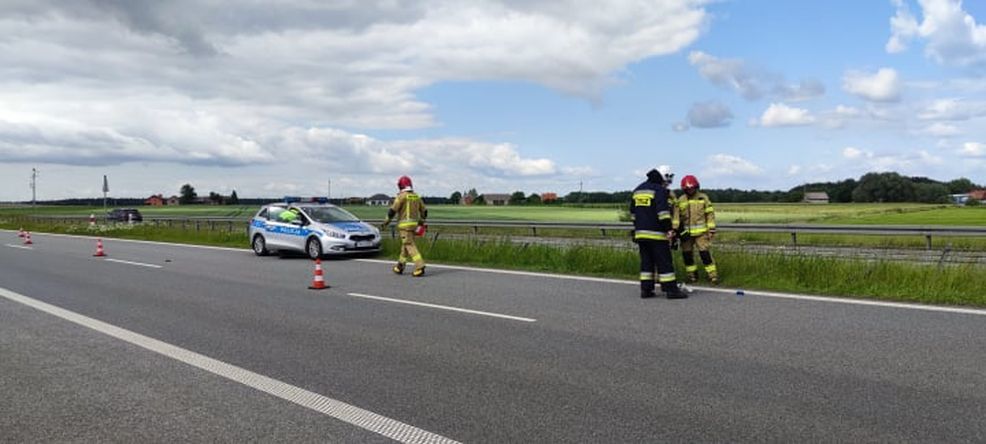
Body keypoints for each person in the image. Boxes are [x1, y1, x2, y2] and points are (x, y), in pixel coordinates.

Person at [631, 167, 686, 299]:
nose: (666, 183)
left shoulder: (638, 190)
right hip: (656, 234)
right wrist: (669, 229)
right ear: (661, 177)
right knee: (664, 262)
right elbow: (663, 213)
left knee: (646, 263)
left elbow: (633, 214)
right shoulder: (659, 190)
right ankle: (671, 290)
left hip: (641, 234)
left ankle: (646, 290)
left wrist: (638, 227)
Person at [381, 175, 428, 277]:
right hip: (414, 226)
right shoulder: (416, 196)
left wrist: (386, 222)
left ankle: (420, 266)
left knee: (409, 245)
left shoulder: (401, 196)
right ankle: (400, 266)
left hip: (404, 227)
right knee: (405, 246)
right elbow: (424, 211)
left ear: (401, 186)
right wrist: (421, 221)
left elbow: (392, 211)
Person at [677, 175, 718, 284]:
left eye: (692, 188)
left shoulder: (703, 198)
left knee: (705, 255)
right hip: (686, 234)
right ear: (684, 189)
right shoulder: (680, 200)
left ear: (696, 187)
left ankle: (713, 276)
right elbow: (677, 217)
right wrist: (678, 232)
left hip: (702, 233)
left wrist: (711, 229)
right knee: (687, 255)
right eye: (688, 189)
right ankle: (692, 276)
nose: (690, 190)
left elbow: (710, 214)